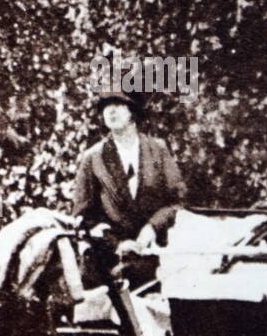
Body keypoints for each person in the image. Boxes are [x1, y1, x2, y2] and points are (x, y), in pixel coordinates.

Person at [73, 90, 186, 280]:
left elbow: (177, 201)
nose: (111, 112)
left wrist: (152, 227)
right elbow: (82, 216)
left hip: (155, 259)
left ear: (132, 112)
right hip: (108, 264)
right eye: (106, 107)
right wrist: (117, 244)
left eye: (117, 105)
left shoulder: (157, 150)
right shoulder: (93, 158)